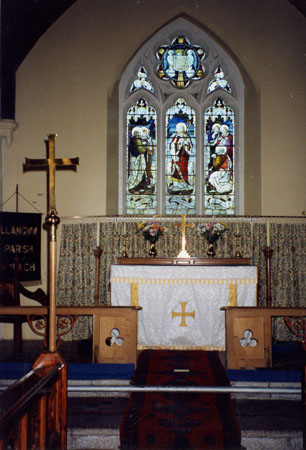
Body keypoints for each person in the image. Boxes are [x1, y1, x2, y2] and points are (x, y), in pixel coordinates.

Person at [128, 126, 154, 194]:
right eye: (140, 132)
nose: (141, 134)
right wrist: (146, 147)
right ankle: (134, 187)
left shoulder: (134, 139)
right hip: (137, 159)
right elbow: (141, 150)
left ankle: (139, 186)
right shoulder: (137, 140)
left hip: (136, 159)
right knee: (136, 173)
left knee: (138, 173)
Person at [169, 122, 193, 193]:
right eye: (179, 128)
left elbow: (190, 145)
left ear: (184, 129)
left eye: (181, 128)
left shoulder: (187, 136)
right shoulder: (175, 137)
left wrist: (186, 144)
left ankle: (184, 184)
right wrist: (178, 144)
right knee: (176, 170)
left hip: (184, 156)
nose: (180, 129)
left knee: (183, 169)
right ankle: (175, 184)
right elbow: (171, 146)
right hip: (177, 156)